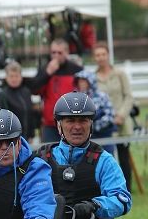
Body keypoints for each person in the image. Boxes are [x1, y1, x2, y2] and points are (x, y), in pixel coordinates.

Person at [92, 41, 135, 191]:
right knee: (107, 159)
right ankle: (110, 189)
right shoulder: (93, 78)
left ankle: (127, 189)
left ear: (108, 55)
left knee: (124, 157)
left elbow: (129, 96)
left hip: (121, 123)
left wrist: (121, 115)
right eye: (98, 55)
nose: (101, 57)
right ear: (94, 58)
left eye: (103, 54)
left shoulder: (120, 74)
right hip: (104, 126)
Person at [27, 39, 82, 142]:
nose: (56, 56)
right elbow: (34, 90)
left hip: (73, 122)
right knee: (51, 155)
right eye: (53, 52)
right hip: (51, 124)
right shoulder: (44, 69)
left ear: (67, 52)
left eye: (59, 53)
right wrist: (47, 73)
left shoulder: (76, 70)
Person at [73, 69, 116, 154]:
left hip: (104, 137)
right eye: (79, 80)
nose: (81, 82)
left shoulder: (102, 96)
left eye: (84, 80)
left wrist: (94, 126)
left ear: (90, 81)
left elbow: (110, 115)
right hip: (84, 140)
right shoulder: (75, 99)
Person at [0, 61, 35, 141]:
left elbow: (31, 115)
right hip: (10, 139)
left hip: (26, 138)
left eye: (16, 76)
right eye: (11, 76)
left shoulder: (26, 93)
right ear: (6, 78)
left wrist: (31, 135)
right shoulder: (2, 96)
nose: (14, 79)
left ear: (21, 77)